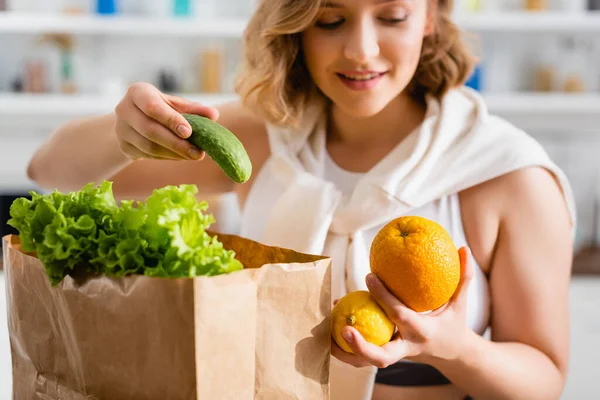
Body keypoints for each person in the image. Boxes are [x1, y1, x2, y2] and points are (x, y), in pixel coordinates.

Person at [27, 0, 576, 399]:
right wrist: (120, 133)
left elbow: (544, 379)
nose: (361, 49)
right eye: (331, 20)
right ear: (295, 27)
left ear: (430, 17)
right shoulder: (269, 138)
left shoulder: (506, 174)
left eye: (393, 16)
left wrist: (456, 347)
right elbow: (50, 171)